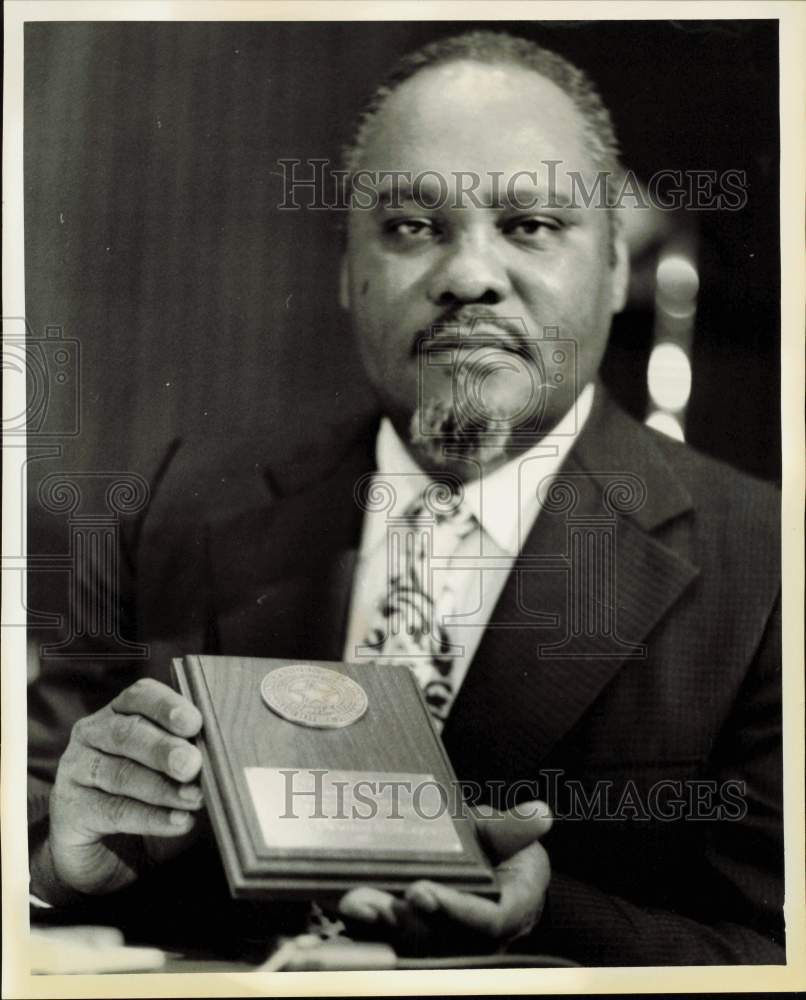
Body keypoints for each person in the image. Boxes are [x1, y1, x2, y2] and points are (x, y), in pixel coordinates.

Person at [27, 31, 783, 966]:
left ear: (618, 270)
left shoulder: (768, 570)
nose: (468, 275)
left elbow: (775, 949)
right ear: (347, 271)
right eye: (412, 228)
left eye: (531, 225)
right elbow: (29, 836)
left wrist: (550, 924)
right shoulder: (171, 508)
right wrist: (55, 865)